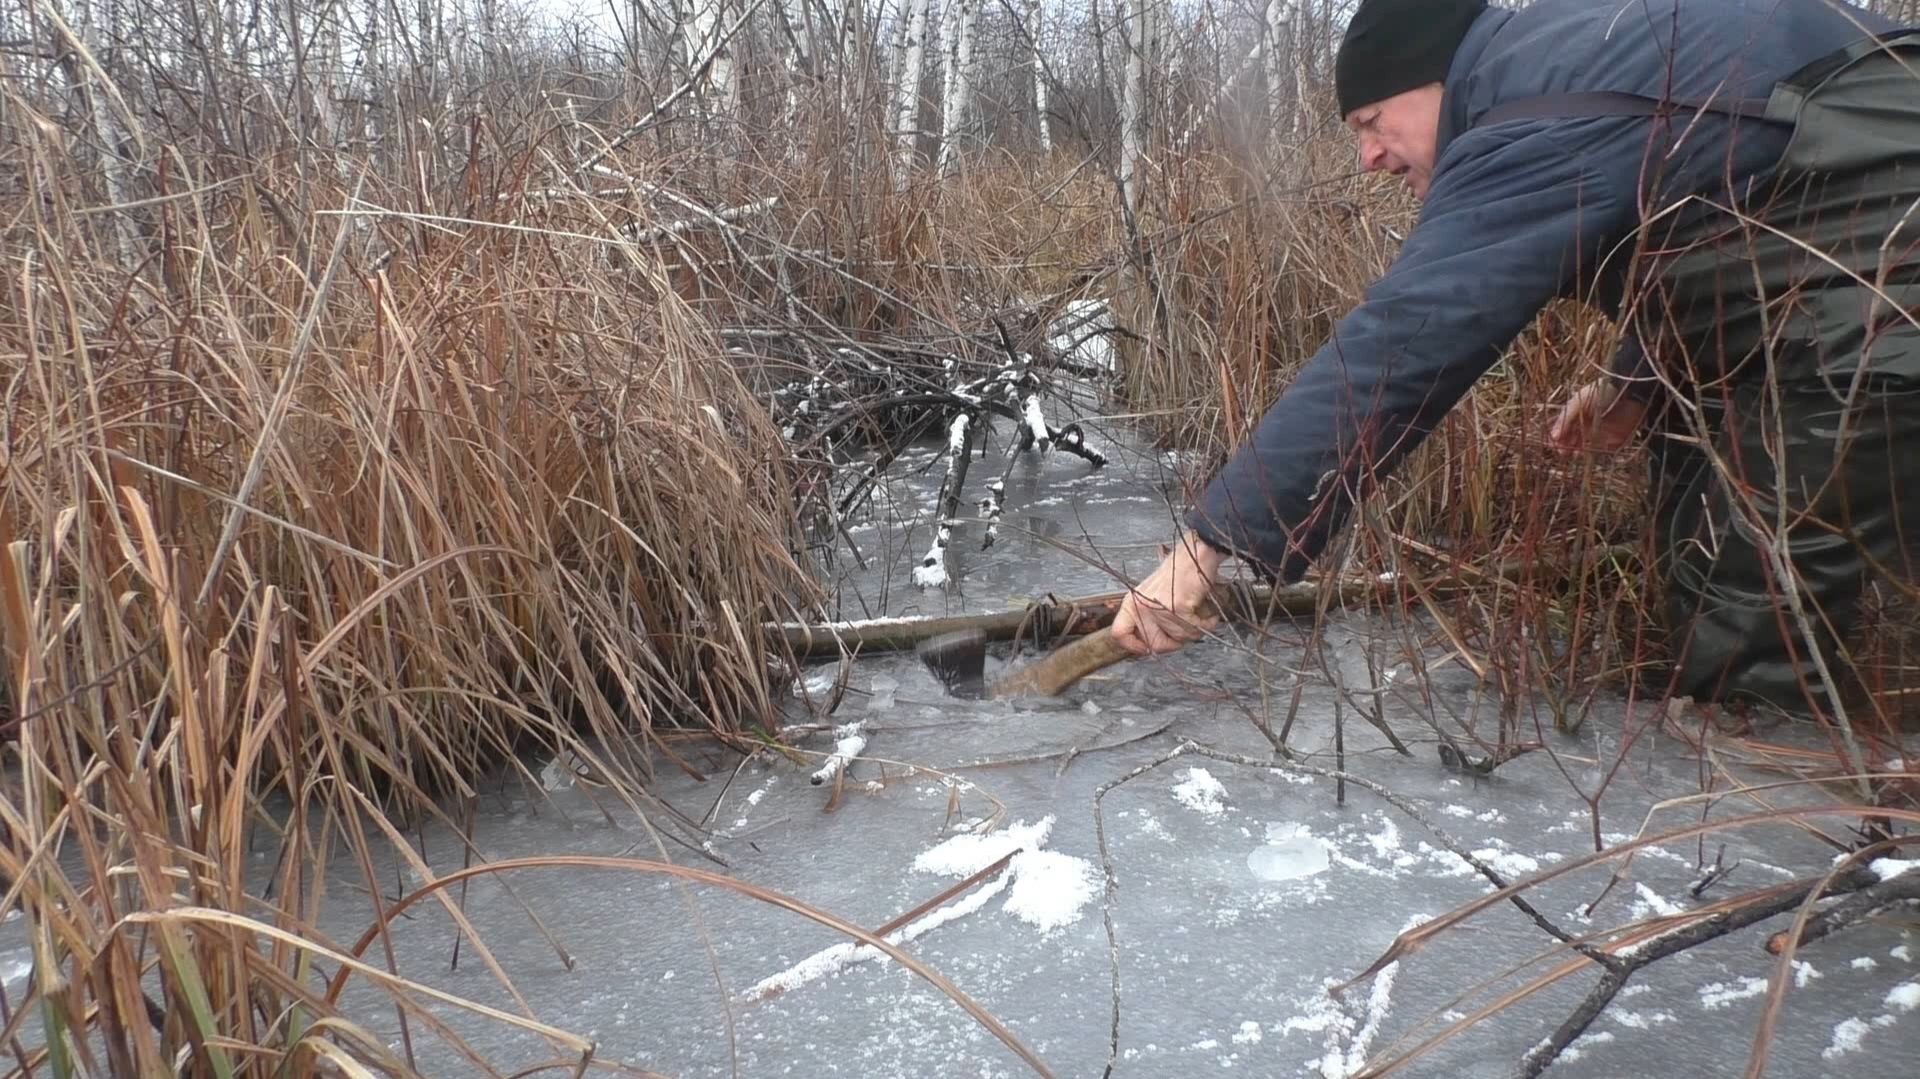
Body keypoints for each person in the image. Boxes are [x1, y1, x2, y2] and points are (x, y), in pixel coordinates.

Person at [1109, 0, 1920, 714]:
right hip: (1846, 243)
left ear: (1434, 83)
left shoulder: (1528, 111)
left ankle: (1768, 799)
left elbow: (1408, 336)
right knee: (1700, 493)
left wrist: (1207, 547)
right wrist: (1634, 381)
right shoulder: (1567, 61)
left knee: (1761, 583)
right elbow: (1721, 198)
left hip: (1879, 280)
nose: (1369, 158)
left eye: (1371, 122)